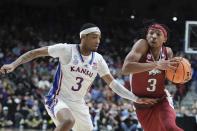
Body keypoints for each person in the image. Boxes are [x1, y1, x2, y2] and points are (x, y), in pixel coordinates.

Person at [0, 23, 157, 131]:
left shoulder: (98, 59)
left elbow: (113, 84)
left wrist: (135, 98)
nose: (98, 41)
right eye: (94, 37)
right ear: (83, 37)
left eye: (100, 38)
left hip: (79, 104)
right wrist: (13, 64)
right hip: (58, 98)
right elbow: (34, 53)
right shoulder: (66, 50)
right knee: (68, 121)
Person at [122, 23, 183, 131]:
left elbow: (171, 77)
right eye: (151, 33)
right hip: (141, 103)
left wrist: (181, 75)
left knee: (170, 127)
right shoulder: (142, 45)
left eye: (158, 34)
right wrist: (156, 64)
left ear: (165, 39)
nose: (153, 36)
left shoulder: (167, 52)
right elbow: (126, 68)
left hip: (160, 100)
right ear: (146, 36)